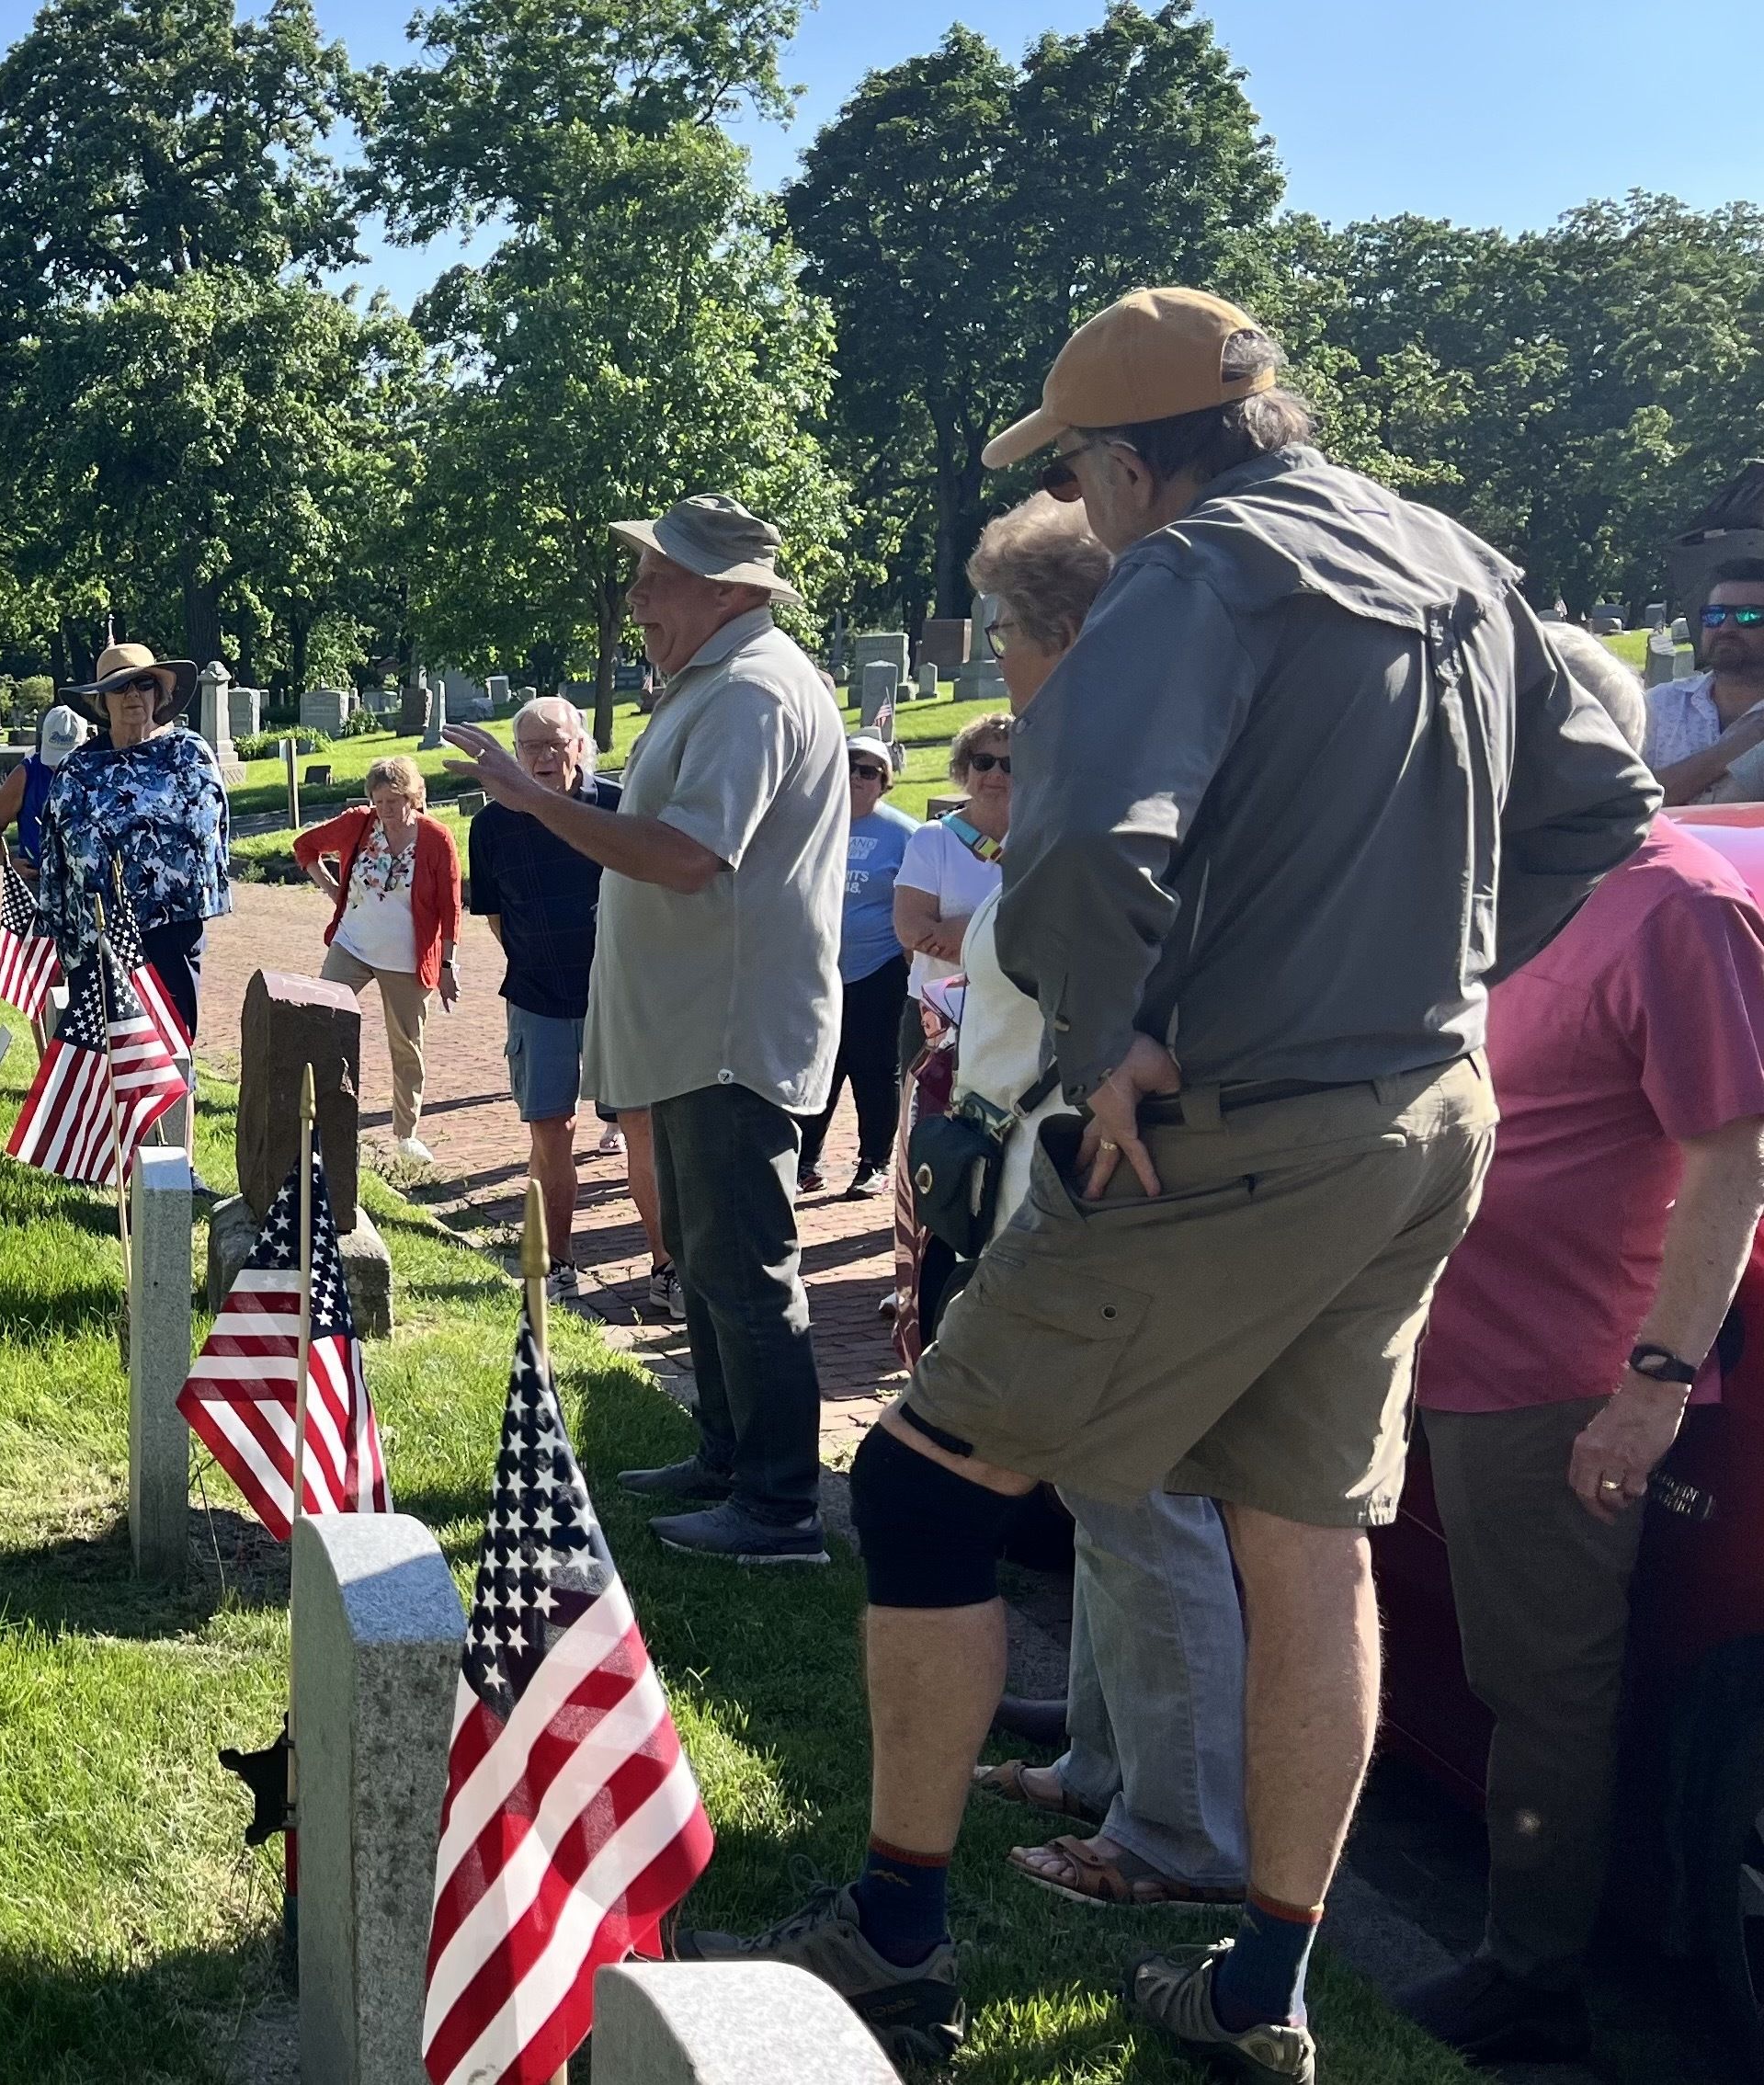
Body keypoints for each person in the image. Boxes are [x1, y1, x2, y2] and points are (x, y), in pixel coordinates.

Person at [676, 289, 1655, 2083]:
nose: (1078, 509)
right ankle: (1262, 1989)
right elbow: (1604, 810)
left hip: (1231, 1121)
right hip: (1426, 1112)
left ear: (1131, 466)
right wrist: (1425, 976)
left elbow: (1074, 847)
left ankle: (895, 1942)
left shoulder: (1187, 572)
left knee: (920, 1488)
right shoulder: (1451, 554)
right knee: (1304, 1536)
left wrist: (1119, 1030)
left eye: (1075, 476)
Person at [1391, 623, 1764, 2066]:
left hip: (1560, 1373)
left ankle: (1531, 1976)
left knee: (1542, 1688)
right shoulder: (1513, 889)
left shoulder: (1678, 907)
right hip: (1444, 1341)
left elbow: (1730, 1162)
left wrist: (1652, 1389)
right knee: (1486, 1661)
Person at [940, 495, 1252, 1920]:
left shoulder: (1142, 776)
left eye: (1005, 625)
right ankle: (1104, 1765)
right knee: (1097, 1495)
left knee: (1143, 1499)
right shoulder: (1088, 762)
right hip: (1053, 1170)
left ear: (1067, 633)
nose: (994, 652)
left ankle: (1184, 1834)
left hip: (1123, 1180)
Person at [445, 493, 847, 1567]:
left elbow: (686, 855)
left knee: (744, 1264)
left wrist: (533, 803)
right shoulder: (719, 683)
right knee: (708, 1258)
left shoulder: (752, 691)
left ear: (724, 591)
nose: (635, 598)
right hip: (693, 1028)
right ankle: (727, 1458)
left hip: (727, 1032)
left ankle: (778, 1509)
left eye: (656, 578)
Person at [464, 697, 662, 1303]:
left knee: (642, 1127)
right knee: (551, 1132)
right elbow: (497, 917)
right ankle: (558, 1265)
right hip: (537, 996)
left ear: (581, 746)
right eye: (532, 746)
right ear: (516, 753)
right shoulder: (491, 825)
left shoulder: (620, 807)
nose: (544, 756)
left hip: (619, 996)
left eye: (556, 743)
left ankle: (667, 1268)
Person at [43, 644, 230, 1037]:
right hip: (97, 935)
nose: (132, 695)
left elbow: (215, 834)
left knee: (171, 1049)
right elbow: (54, 859)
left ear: (159, 695)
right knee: (106, 1055)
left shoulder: (189, 754)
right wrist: (59, 938)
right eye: (119, 686)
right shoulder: (76, 770)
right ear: (101, 701)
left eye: (143, 684)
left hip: (172, 929)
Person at [292, 756, 459, 1167]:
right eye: (379, 800)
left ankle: (406, 1136)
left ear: (413, 797)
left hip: (407, 959)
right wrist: (333, 889)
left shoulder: (436, 838)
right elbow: (305, 847)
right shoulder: (359, 823)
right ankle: (316, 1111)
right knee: (322, 1020)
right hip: (352, 945)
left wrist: (447, 966)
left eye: (394, 800)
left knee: (406, 1046)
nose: (385, 809)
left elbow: (450, 907)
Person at [802, 735, 916, 1196]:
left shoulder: (905, 834)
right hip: (818, 966)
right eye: (850, 766)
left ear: (884, 782)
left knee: (876, 1068)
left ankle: (874, 1162)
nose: (856, 778)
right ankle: (806, 1162)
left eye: (869, 771)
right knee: (818, 1064)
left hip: (879, 968)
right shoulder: (813, 824)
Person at [892, 715, 1013, 1053]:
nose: (995, 774)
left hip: (1014, 1016)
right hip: (935, 1014)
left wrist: (964, 935)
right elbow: (910, 930)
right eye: (983, 762)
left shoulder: (1042, 840)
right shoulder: (931, 839)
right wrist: (1001, 942)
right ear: (964, 768)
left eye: (1010, 765)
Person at [1636, 558, 1764, 803]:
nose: (1725, 628)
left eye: (1748, 615)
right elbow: (1622, 802)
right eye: (1715, 615)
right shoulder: (1657, 707)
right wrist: (1731, 749)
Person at [0, 705, 86, 883]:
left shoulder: (100, 773)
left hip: (87, 882)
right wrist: (10, 862)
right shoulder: (26, 773)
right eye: (54, 759)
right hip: (38, 881)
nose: (58, 767)